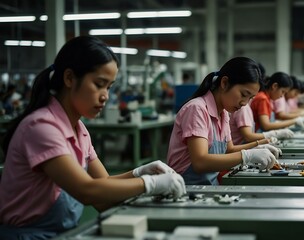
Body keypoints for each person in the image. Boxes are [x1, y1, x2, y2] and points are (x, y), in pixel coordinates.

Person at [0, 36, 185, 239]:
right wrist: (150, 184)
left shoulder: (79, 129)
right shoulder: (41, 127)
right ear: (69, 78)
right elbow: (86, 191)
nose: (105, 95)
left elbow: (103, 188)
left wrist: (139, 172)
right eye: (99, 84)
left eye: (109, 87)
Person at [167, 57, 279, 185]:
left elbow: (229, 150)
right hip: (185, 188)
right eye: (243, 94)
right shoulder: (197, 109)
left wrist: (258, 146)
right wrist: (247, 156)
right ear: (225, 83)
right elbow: (200, 162)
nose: (244, 103)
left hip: (208, 187)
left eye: (250, 98)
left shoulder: (224, 113)